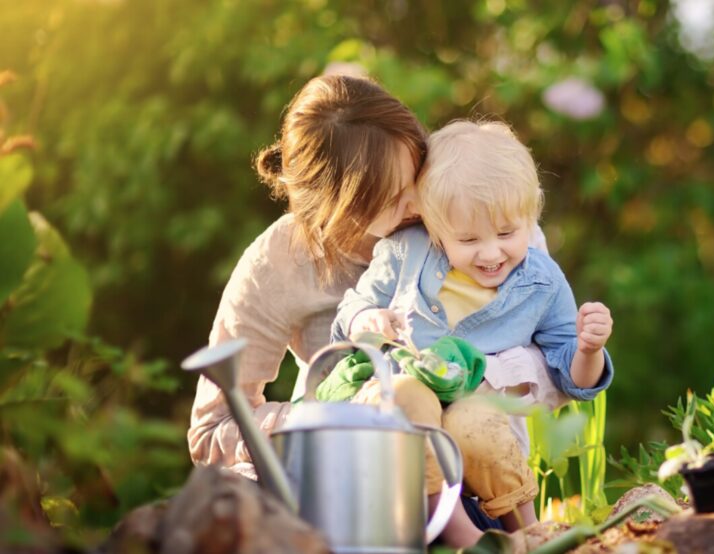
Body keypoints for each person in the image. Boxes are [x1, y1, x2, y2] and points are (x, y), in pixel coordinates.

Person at [187, 75, 564, 547]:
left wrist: (474, 376)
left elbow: (560, 359)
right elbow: (213, 429)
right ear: (336, 206)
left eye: (418, 171)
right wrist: (333, 420)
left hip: (486, 491)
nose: (420, 202)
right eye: (392, 195)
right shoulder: (279, 261)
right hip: (359, 503)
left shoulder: (471, 206)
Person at [330, 120, 615, 545]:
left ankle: (528, 532)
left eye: (506, 233)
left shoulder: (542, 282)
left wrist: (589, 349)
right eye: (468, 239)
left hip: (474, 418)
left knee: (475, 416)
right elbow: (351, 308)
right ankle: (451, 529)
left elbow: (570, 377)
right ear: (435, 229)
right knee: (406, 394)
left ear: (529, 216)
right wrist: (365, 319)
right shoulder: (406, 252)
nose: (490, 252)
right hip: (402, 408)